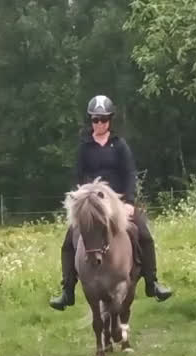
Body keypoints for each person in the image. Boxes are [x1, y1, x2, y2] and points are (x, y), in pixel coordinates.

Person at [49, 94, 173, 310]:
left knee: (143, 231)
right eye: (96, 119)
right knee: (69, 240)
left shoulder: (119, 145)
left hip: (118, 201)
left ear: (110, 120)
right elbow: (78, 176)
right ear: (91, 121)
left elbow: (129, 173)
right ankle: (67, 290)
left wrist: (129, 201)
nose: (99, 124)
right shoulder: (84, 147)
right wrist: (80, 199)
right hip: (92, 203)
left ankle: (152, 282)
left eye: (104, 119)